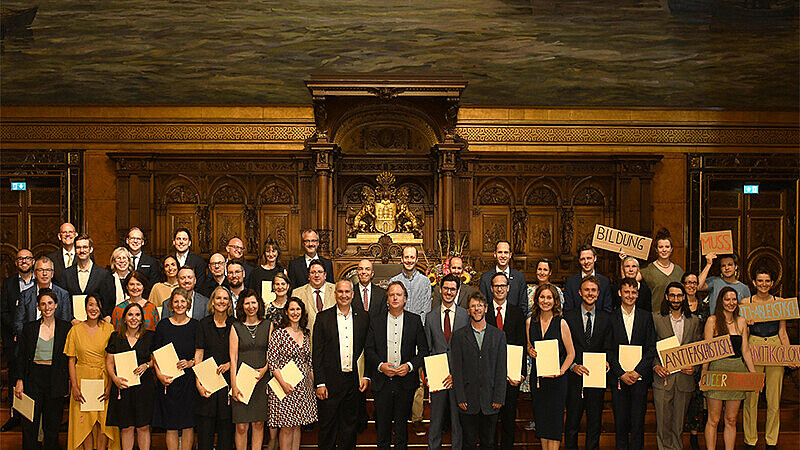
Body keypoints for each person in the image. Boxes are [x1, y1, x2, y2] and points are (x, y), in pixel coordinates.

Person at [366, 280, 429, 449]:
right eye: (392, 295)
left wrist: (409, 366)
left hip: (405, 382)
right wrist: (380, 366)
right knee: (383, 428)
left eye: (398, 295)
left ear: (405, 299)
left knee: (402, 427)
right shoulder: (375, 321)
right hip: (382, 381)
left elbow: (423, 351)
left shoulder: (414, 321)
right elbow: (369, 349)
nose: (395, 298)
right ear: (387, 299)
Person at [313, 279, 370, 450]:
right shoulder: (323, 318)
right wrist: (320, 383)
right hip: (329, 383)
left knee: (349, 427)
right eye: (340, 292)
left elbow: (368, 349)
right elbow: (317, 353)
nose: (344, 295)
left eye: (347, 292)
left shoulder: (363, 317)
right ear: (335, 294)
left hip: (353, 381)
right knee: (327, 427)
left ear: (353, 295)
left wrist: (365, 375)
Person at [741, 268, 793, 450]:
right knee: (751, 397)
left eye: (767, 281)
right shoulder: (745, 302)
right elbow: (743, 332)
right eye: (760, 281)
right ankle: (750, 440)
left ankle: (771, 441)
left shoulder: (780, 303)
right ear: (754, 283)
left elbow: (783, 331)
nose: (763, 284)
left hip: (774, 346)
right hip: (753, 345)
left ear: (772, 283)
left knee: (773, 399)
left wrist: (789, 355)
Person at [14, 288, 71, 450]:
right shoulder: (29, 328)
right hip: (33, 379)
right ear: (38, 307)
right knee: (29, 426)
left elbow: (70, 358)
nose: (47, 307)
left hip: (56, 379)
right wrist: (20, 380)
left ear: (57, 305)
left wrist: (68, 381)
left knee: (52, 427)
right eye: (43, 304)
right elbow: (22, 356)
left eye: (50, 303)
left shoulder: (66, 328)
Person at [451, 291, 507, 449]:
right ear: (468, 311)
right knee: (468, 442)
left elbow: (501, 369)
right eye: (473, 306)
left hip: (491, 400)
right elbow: (457, 369)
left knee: (488, 442)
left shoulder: (499, 335)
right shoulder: (459, 336)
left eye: (480, 306)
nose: (477, 309)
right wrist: (460, 397)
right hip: (468, 400)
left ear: (486, 308)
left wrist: (499, 397)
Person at [703, 287, 756, 450]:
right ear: (721, 301)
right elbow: (707, 351)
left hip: (737, 371)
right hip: (716, 371)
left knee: (731, 419)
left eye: (734, 299)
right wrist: (704, 374)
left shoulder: (741, 321)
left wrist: (753, 373)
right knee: (714, 419)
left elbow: (745, 350)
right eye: (727, 299)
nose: (731, 303)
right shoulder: (712, 321)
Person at [564, 276, 612, 450]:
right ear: (580, 292)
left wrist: (607, 361)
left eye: (593, 290)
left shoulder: (607, 318)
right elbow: (563, 348)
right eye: (586, 290)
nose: (590, 293)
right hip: (575, 378)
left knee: (594, 425)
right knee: (571, 426)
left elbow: (609, 345)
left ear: (598, 294)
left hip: (596, 378)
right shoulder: (567, 317)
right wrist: (572, 365)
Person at [64, 294, 119, 450]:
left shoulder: (109, 329)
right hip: (82, 379)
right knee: (85, 422)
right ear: (85, 307)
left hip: (104, 378)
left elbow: (112, 359)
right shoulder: (75, 330)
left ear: (101, 308)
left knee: (102, 421)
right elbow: (71, 360)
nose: (93, 308)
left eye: (97, 305)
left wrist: (109, 386)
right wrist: (74, 386)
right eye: (90, 304)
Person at [652, 282, 701, 450]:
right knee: (663, 424)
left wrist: (694, 367)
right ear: (666, 297)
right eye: (672, 295)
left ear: (684, 297)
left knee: (679, 426)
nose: (675, 299)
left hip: (684, 380)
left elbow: (697, 349)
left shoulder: (693, 320)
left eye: (679, 295)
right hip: (663, 378)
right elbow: (649, 347)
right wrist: (655, 366)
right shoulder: (656, 318)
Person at [608, 277, 656, 450]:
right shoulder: (611, 317)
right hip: (618, 378)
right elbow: (609, 349)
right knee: (620, 423)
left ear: (637, 294)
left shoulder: (646, 317)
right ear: (620, 293)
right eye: (626, 292)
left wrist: (638, 372)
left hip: (639, 379)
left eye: (633, 292)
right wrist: (620, 372)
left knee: (637, 423)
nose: (630, 296)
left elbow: (651, 348)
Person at [527, 282, 575, 450]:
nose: (545, 301)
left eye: (549, 297)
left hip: (557, 381)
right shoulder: (529, 322)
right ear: (536, 299)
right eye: (542, 297)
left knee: (554, 424)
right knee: (541, 421)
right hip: (538, 380)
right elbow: (529, 346)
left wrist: (561, 371)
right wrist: (530, 350)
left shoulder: (561, 323)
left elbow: (571, 353)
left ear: (555, 301)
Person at [389, 245, 432, 435]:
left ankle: (417, 418)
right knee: (396, 372)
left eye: (412, 257)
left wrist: (414, 328)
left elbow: (426, 308)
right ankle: (397, 414)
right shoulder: (394, 281)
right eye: (406, 257)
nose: (409, 260)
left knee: (417, 377)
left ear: (416, 259)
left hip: (417, 332)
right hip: (397, 332)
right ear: (402, 259)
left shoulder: (425, 282)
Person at [424, 274, 469, 450]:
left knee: (458, 421)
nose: (449, 292)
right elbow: (428, 349)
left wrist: (457, 374)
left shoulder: (466, 316)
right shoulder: (430, 317)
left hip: (459, 376)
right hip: (437, 376)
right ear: (440, 290)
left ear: (457, 292)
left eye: (453, 289)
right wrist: (427, 375)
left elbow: (468, 350)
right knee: (435, 420)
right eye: (446, 288)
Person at [152, 287, 199, 450]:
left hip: (188, 382)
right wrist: (159, 376)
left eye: (183, 301)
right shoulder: (163, 326)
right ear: (171, 304)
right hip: (168, 382)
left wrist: (191, 362)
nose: (179, 305)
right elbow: (155, 355)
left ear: (188, 304)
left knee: (188, 424)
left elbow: (200, 354)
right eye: (176, 301)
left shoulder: (195, 326)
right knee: (170, 424)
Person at [268, 297, 318, 450]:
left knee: (297, 426)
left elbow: (309, 362)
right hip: (284, 385)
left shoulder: (306, 333)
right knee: (286, 426)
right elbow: (272, 360)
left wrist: (312, 386)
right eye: (292, 309)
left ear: (302, 312)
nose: (295, 312)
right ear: (286, 312)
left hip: (303, 386)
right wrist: (283, 383)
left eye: (298, 309)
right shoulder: (279, 333)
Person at [106, 302, 155, 450]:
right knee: (126, 427)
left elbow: (155, 360)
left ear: (142, 319)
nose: (134, 318)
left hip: (144, 387)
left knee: (143, 427)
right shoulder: (116, 337)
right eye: (130, 314)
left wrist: (147, 365)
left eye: (137, 315)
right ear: (124, 318)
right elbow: (109, 362)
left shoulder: (150, 336)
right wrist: (115, 379)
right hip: (123, 386)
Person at [521, 258, 563, 430]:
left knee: (549, 385)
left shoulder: (558, 291)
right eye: (539, 269)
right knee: (535, 385)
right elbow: (526, 317)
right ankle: (536, 418)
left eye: (545, 269)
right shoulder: (528, 290)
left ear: (550, 272)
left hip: (551, 345)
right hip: (534, 339)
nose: (542, 272)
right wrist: (529, 345)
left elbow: (559, 318)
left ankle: (546, 421)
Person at [486, 272, 526, 450]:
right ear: (491, 288)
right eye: (496, 286)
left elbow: (522, 344)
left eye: (503, 285)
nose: (500, 289)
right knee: (490, 421)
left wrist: (521, 373)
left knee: (509, 420)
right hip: (489, 377)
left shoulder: (517, 313)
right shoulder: (484, 311)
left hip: (511, 376)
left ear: (508, 288)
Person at [194, 286, 235, 450]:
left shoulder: (235, 324)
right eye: (218, 298)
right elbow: (198, 354)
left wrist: (230, 365)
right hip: (207, 382)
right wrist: (198, 382)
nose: (221, 302)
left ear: (229, 303)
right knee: (205, 430)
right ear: (212, 301)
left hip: (228, 382)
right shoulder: (203, 324)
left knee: (226, 430)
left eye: (225, 298)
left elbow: (240, 354)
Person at [229, 289, 271, 450]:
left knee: (259, 423)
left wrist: (265, 369)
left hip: (261, 380)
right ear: (242, 306)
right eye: (247, 303)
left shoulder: (268, 325)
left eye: (253, 302)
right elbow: (233, 358)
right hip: (242, 381)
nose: (250, 306)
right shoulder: (236, 327)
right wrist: (234, 386)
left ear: (259, 304)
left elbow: (272, 353)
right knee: (241, 426)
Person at [0, 248, 34, 432]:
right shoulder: (9, 283)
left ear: (33, 261)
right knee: (16, 376)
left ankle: (33, 418)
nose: (24, 261)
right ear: (16, 263)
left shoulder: (41, 282)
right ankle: (16, 416)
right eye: (20, 259)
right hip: (15, 339)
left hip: (38, 338)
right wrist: (17, 329)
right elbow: (4, 311)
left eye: (27, 258)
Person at [14, 256, 74, 337]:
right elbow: (18, 323)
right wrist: (29, 339)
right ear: (35, 274)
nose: (44, 273)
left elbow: (65, 323)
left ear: (52, 274)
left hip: (56, 340)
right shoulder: (25, 295)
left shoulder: (63, 295)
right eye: (41, 270)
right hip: (29, 341)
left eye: (48, 270)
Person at [683, 271, 710, 450]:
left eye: (694, 283)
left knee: (697, 398)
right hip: (680, 357)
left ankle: (694, 435)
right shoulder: (677, 303)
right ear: (683, 284)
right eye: (688, 283)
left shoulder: (704, 306)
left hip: (699, 358)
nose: (692, 286)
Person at [62, 234, 116, 319]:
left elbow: (109, 302)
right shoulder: (66, 274)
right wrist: (72, 319)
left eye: (85, 247)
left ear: (91, 249)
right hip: (73, 324)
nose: (82, 250)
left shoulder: (104, 274)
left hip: (98, 323)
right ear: (75, 250)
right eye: (78, 247)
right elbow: (64, 301)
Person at [639, 228, 684, 313]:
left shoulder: (678, 270)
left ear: (671, 249)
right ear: (656, 249)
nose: (664, 250)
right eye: (660, 247)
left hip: (676, 316)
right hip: (656, 316)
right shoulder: (648, 270)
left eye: (667, 247)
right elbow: (629, 281)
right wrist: (623, 260)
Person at [479, 241, 528, 316]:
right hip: (491, 325)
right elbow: (482, 305)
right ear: (495, 254)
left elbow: (523, 306)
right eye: (500, 252)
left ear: (510, 255)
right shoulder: (485, 278)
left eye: (506, 252)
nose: (503, 256)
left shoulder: (519, 278)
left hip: (514, 324)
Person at [291, 260, 335, 336]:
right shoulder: (297, 293)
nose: (316, 275)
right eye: (313, 272)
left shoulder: (336, 291)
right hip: (307, 339)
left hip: (332, 339)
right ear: (308, 276)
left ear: (325, 275)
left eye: (320, 272)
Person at [563, 245, 612, 313]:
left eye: (589, 258)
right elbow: (568, 310)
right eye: (583, 259)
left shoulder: (605, 282)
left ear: (595, 258)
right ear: (579, 261)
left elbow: (607, 309)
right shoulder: (570, 282)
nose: (586, 262)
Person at [125, 227, 160, 295]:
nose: (135, 241)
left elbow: (153, 285)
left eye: (138, 239)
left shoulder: (151, 262)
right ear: (127, 240)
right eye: (132, 238)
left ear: (142, 242)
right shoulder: (121, 260)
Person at [47, 222, 78, 286]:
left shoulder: (85, 256)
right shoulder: (51, 258)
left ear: (75, 235)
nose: (67, 234)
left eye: (70, 232)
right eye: (64, 232)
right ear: (59, 236)